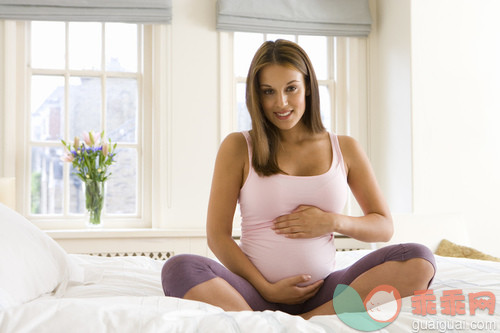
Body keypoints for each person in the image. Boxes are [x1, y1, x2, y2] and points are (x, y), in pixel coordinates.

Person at [161, 39, 435, 319]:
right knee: (178, 268)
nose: (280, 103)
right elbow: (217, 235)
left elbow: (383, 226)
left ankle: (301, 323)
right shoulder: (239, 147)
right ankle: (263, 322)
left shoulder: (345, 148)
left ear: (308, 88)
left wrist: (332, 221)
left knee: (418, 260)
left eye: (291, 88)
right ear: (257, 96)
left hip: (324, 293)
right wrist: (266, 289)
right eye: (268, 92)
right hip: (252, 294)